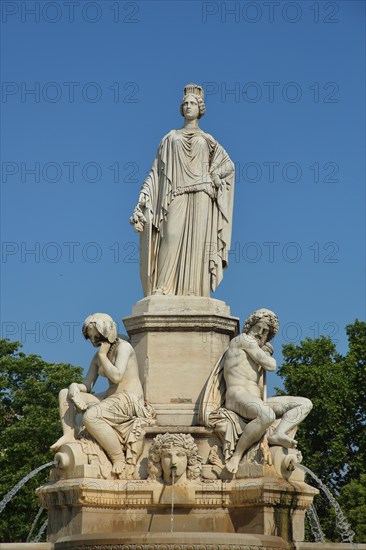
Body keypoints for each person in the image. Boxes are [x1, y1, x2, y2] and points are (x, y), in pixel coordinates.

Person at [130, 83, 235, 297]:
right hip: (176, 193)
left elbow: (229, 166)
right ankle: (163, 287)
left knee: (198, 244)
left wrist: (214, 175)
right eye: (185, 103)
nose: (188, 106)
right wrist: (142, 199)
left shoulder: (208, 140)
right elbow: (156, 173)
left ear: (200, 108)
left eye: (192, 103)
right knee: (171, 236)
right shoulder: (169, 139)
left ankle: (196, 291)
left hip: (203, 194)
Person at [200, 309, 312, 475]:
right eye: (257, 327)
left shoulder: (254, 347)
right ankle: (236, 456)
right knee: (267, 415)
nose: (259, 333)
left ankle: (278, 433)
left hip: (254, 401)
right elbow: (271, 365)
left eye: (265, 331)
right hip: (236, 397)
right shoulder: (242, 340)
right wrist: (266, 352)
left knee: (304, 404)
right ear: (250, 326)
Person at [50, 313, 156, 477]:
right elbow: (87, 384)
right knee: (65, 393)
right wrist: (74, 387)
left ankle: (118, 457)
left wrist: (102, 356)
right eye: (91, 337)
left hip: (129, 399)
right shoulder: (98, 356)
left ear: (107, 332)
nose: (94, 341)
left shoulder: (124, 347)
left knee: (91, 417)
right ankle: (68, 435)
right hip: (111, 397)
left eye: (97, 336)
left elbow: (116, 376)